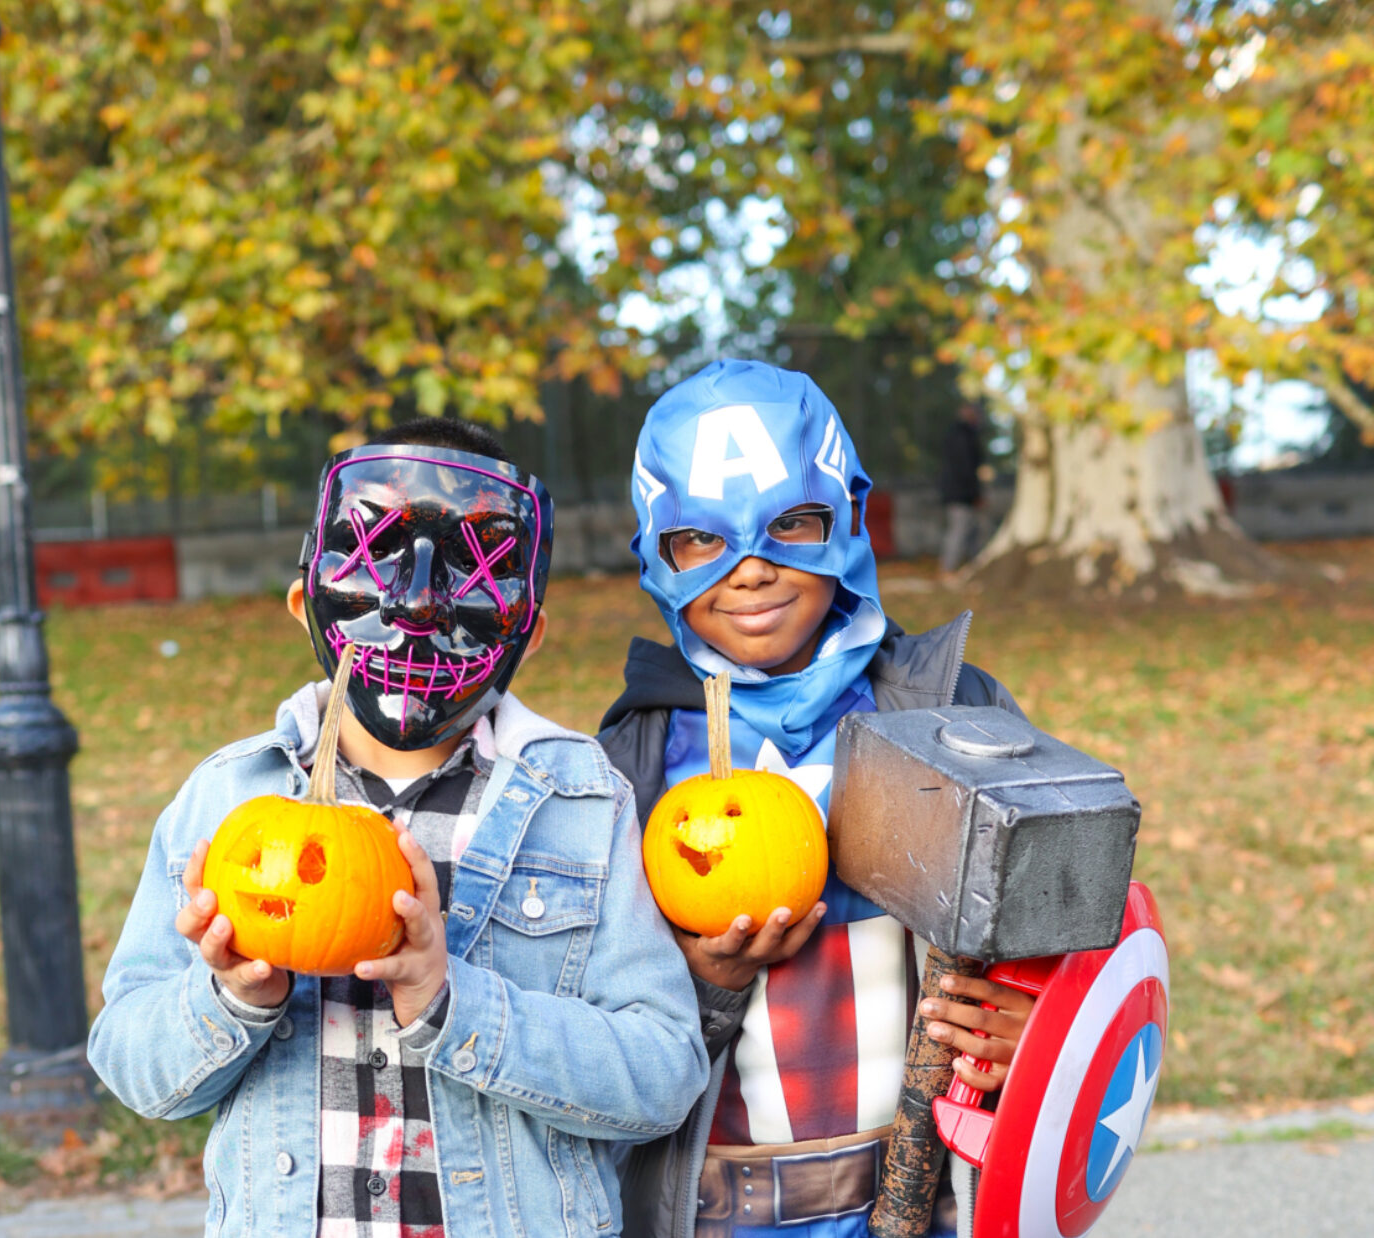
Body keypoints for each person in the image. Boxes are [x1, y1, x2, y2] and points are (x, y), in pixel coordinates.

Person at [89, 419, 708, 1238]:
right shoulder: (226, 801)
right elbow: (132, 1064)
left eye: (470, 564)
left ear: (531, 630)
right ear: (303, 602)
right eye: (384, 557)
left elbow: (662, 1077)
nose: (417, 606)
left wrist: (453, 1002)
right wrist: (232, 997)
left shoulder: (580, 803)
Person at [599, 361, 1035, 1238]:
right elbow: (598, 1032)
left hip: (932, 1198)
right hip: (715, 1206)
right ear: (654, 547)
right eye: (702, 540)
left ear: (850, 513)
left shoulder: (956, 715)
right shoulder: (630, 761)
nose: (753, 571)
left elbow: (1062, 936)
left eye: (793, 524)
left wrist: (1037, 1027)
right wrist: (702, 985)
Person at [938, 402, 985, 575]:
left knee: (971, 531)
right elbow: (966, 468)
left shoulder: (960, 434)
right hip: (960, 494)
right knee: (959, 531)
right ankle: (948, 569)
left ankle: (975, 566)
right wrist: (975, 494)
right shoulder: (963, 436)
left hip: (960, 493)